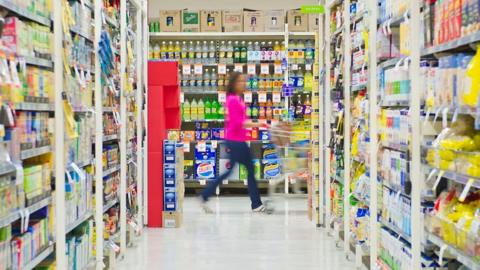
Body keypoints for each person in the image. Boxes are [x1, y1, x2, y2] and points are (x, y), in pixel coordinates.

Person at [200, 72, 267, 213]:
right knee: (247, 171)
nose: (244, 84)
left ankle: (205, 194)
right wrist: (258, 124)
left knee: (238, 171)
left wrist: (256, 123)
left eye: (244, 81)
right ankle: (256, 204)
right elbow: (238, 122)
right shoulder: (233, 100)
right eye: (240, 81)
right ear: (234, 83)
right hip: (236, 141)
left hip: (237, 139)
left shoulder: (236, 98)